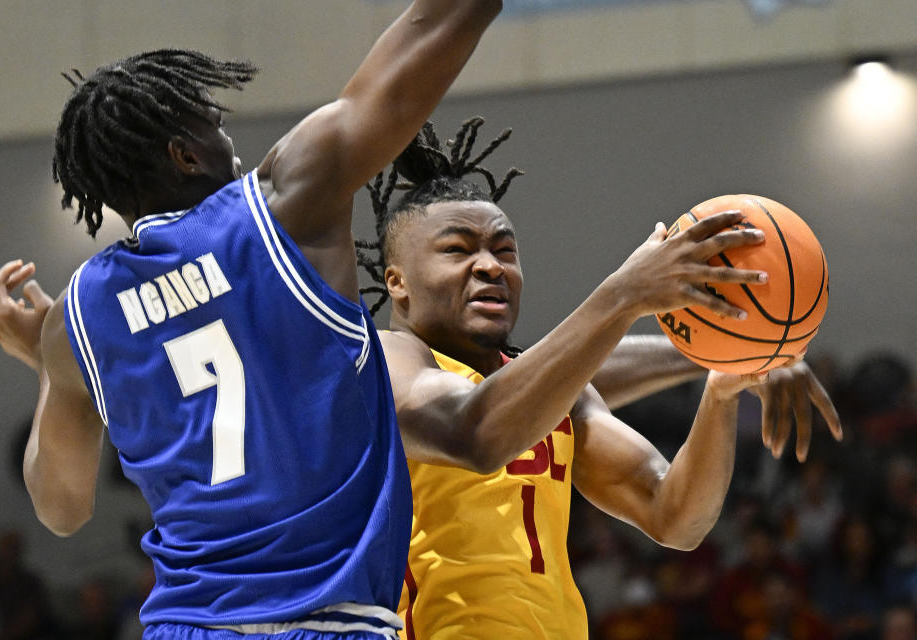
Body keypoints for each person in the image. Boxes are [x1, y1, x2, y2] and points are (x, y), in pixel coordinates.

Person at [0, 3, 501, 638]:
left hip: (185, 626)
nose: (230, 141)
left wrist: (45, 364)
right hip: (326, 620)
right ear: (185, 155)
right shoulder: (285, 203)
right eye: (216, 125)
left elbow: (61, 508)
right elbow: (440, 26)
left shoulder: (76, 321)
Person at [357, 118, 843, 639]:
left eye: (504, 250)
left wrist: (724, 377)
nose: (490, 266)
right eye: (458, 250)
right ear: (397, 282)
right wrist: (624, 294)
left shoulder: (546, 397)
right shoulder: (381, 359)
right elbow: (471, 431)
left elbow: (675, 516)